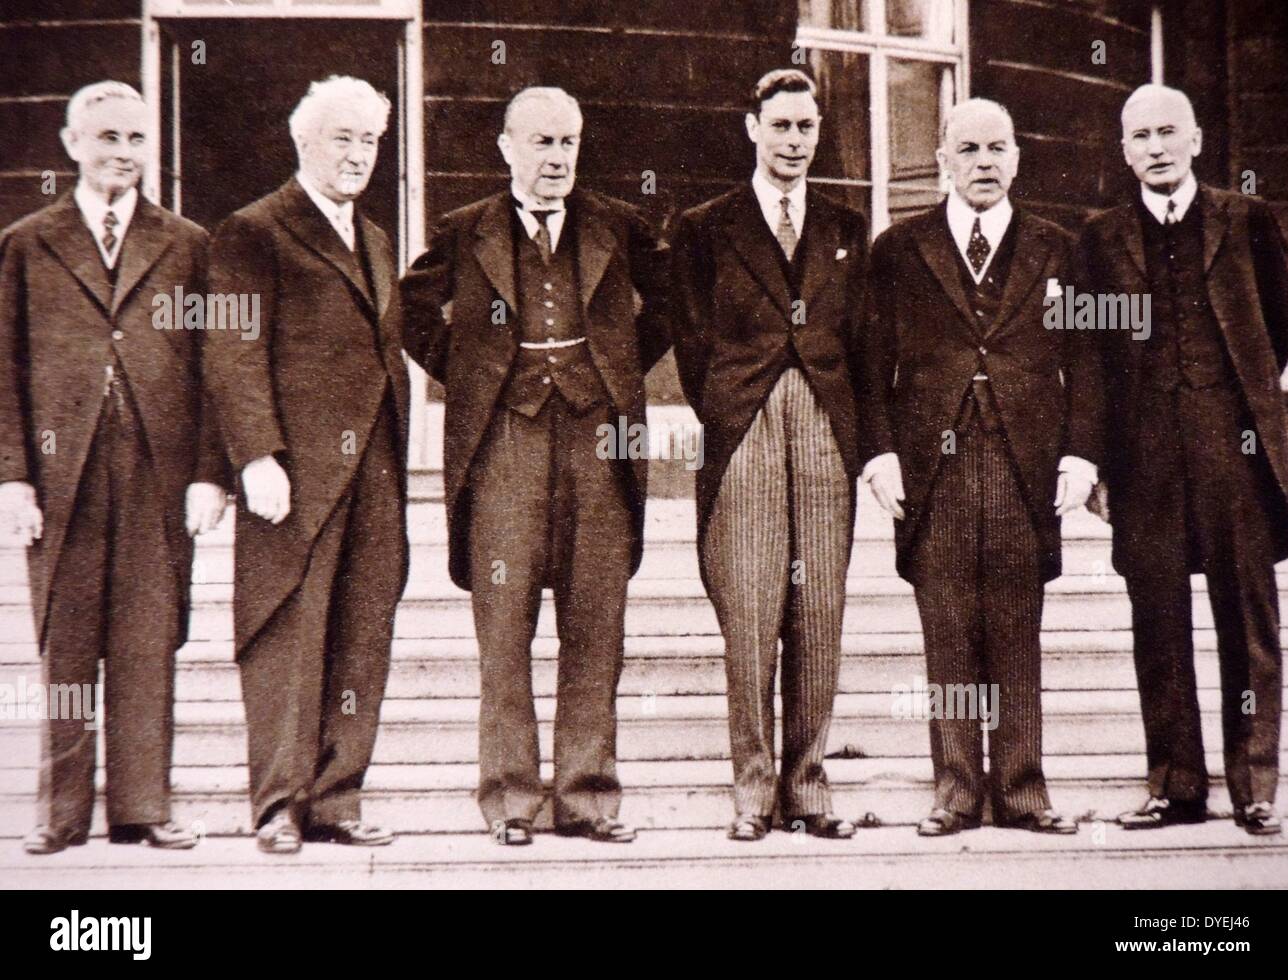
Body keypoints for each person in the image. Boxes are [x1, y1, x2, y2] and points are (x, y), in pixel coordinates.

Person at [400, 87, 671, 846]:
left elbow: (673, 305)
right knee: (505, 628)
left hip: (598, 445)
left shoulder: (618, 225)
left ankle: (587, 798)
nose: (557, 159)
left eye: (569, 144)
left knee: (596, 629)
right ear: (506, 146)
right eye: (543, 143)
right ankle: (511, 801)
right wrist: (475, 373)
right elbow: (413, 311)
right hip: (505, 450)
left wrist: (614, 370)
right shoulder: (464, 231)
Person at [864, 98, 1103, 837]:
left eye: (998, 147)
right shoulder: (899, 249)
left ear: (1018, 157)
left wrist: (1081, 452)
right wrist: (879, 454)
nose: (984, 163)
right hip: (932, 462)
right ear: (942, 158)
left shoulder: (1058, 249)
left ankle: (1025, 791)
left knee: (1016, 627)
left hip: (1022, 460)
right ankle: (957, 791)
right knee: (946, 629)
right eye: (967, 149)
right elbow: (872, 361)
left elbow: (1088, 359)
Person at [0, 81, 227, 854]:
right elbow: (4, 369)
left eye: (135, 139)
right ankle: (60, 814)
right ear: (71, 144)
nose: (122, 154)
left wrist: (209, 472)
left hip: (157, 473)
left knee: (146, 638)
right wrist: (12, 477)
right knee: (65, 645)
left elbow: (212, 368)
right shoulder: (27, 243)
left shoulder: (189, 244)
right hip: (62, 479)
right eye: (106, 138)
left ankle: (143, 807)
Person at [1077, 84, 1288, 836]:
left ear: (1197, 140)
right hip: (1145, 463)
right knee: (1158, 623)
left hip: (1232, 452)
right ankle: (1175, 785)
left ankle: (1254, 784)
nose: (1157, 148)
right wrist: (1100, 463)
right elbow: (1094, 354)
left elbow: (1278, 323)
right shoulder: (1098, 239)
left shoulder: (1246, 218)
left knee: (1248, 619)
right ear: (1125, 151)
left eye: (1169, 132)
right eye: (1141, 137)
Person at [205, 76, 409, 854]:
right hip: (294, 478)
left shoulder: (378, 238)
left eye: (369, 141)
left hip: (376, 474)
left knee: (363, 634)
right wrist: (256, 456)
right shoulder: (251, 230)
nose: (358, 155)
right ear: (303, 144)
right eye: (342, 138)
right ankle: (278, 805)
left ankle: (337, 799)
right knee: (287, 635)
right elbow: (230, 350)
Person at [670, 69, 872, 842]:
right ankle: (754, 790)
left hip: (825, 420)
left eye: (806, 127)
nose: (794, 141)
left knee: (817, 610)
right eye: (781, 125)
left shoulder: (846, 226)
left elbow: (860, 336)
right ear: (752, 128)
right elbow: (691, 337)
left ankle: (809, 785)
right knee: (752, 611)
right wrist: (728, 405)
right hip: (745, 419)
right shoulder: (705, 225)